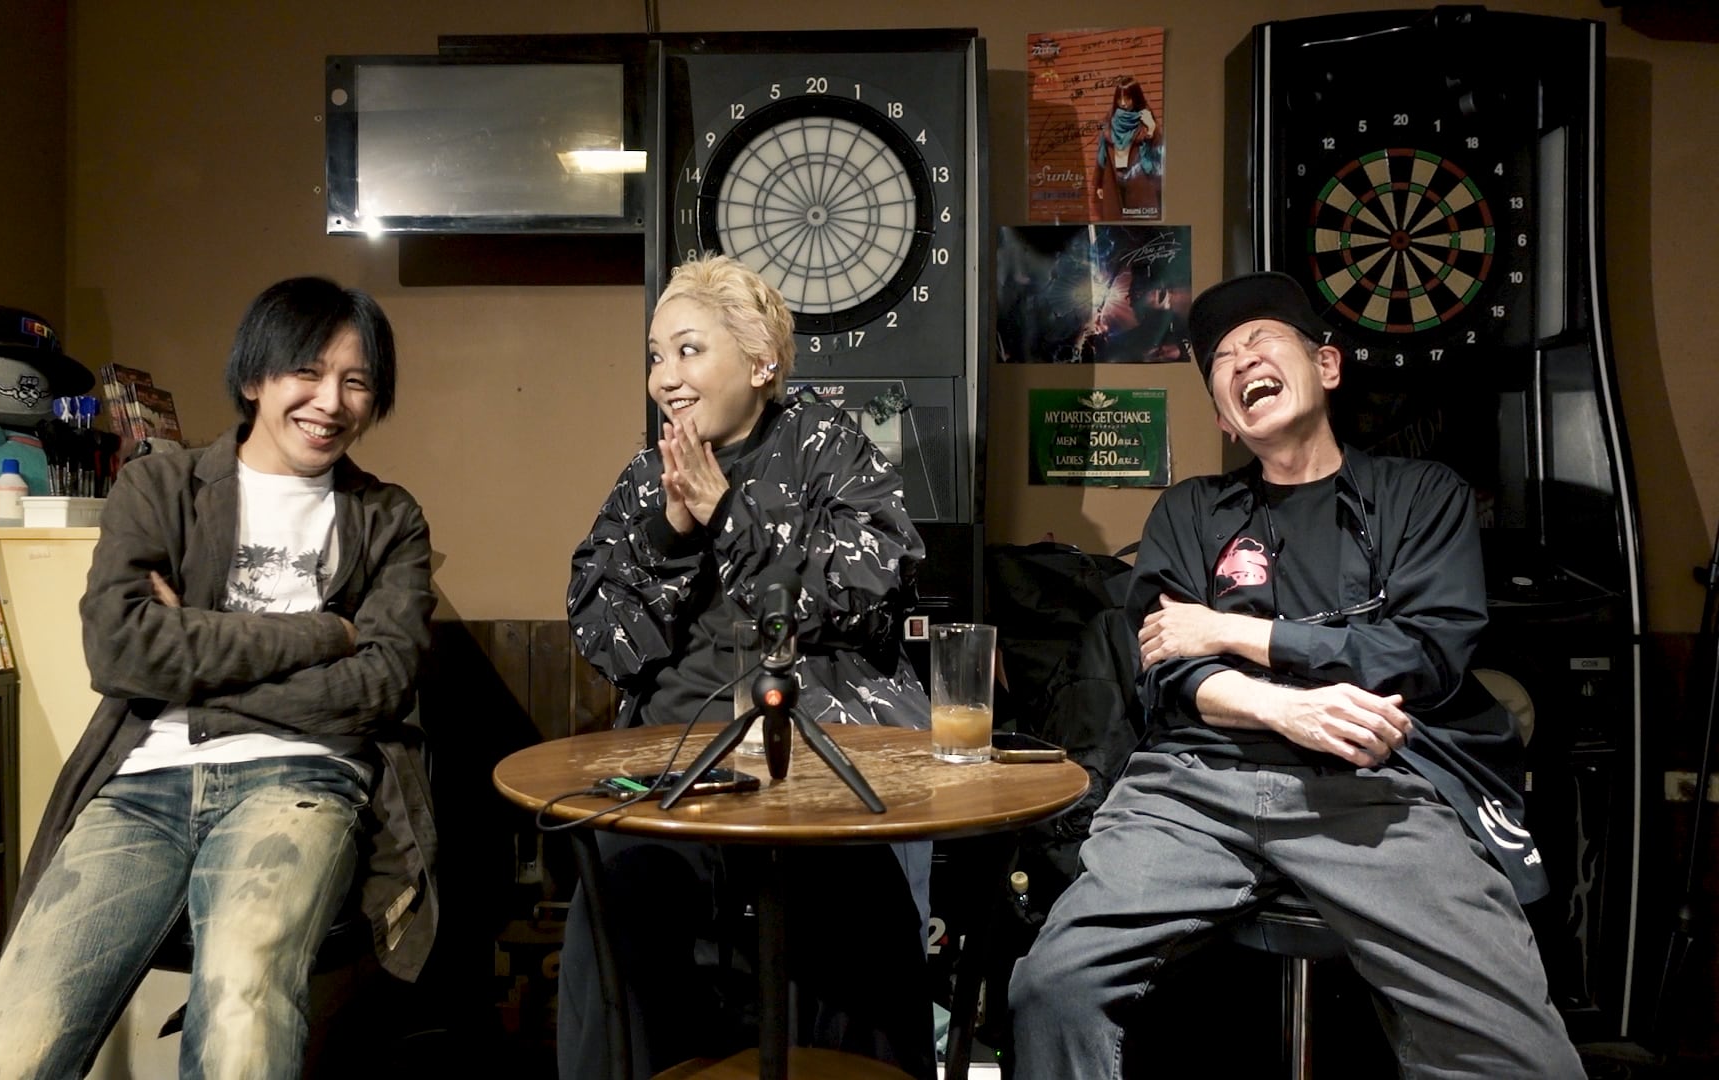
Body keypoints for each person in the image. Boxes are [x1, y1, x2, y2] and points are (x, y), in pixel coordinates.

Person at [1008, 271, 1583, 1079]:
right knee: (1051, 987)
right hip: (1195, 790)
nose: (1243, 360)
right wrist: (1286, 711)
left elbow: (1423, 654)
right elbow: (1168, 671)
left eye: (1262, 340)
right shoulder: (1190, 511)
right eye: (1223, 360)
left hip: (1377, 791)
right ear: (1223, 418)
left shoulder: (1421, 495)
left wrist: (1232, 631)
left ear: (1328, 366)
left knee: (1517, 1054)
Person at [0, 276, 439, 1079]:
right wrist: (326, 633)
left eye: (356, 381)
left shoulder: (388, 517)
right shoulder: (160, 486)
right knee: (13, 1042)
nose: (330, 401)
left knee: (244, 998)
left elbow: (382, 684)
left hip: (302, 782)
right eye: (307, 372)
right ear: (255, 378)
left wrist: (192, 664)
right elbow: (120, 652)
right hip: (141, 786)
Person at [562, 254, 935, 1078]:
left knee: (857, 916)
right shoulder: (645, 477)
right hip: (671, 763)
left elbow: (870, 588)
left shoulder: (827, 448)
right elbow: (602, 635)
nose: (666, 376)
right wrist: (669, 534)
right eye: (656, 356)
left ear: (761, 361)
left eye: (689, 350)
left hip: (816, 754)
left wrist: (729, 515)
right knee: (618, 905)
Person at [1089, 76, 1162, 220]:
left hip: (1140, 182)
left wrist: (1151, 129)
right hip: (1113, 181)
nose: (1123, 103)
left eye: (1128, 98)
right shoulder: (1110, 121)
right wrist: (1099, 183)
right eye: (1119, 98)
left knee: (1139, 227)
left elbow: (1158, 153)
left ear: (1136, 97)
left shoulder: (1146, 119)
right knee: (1116, 224)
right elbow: (1102, 156)